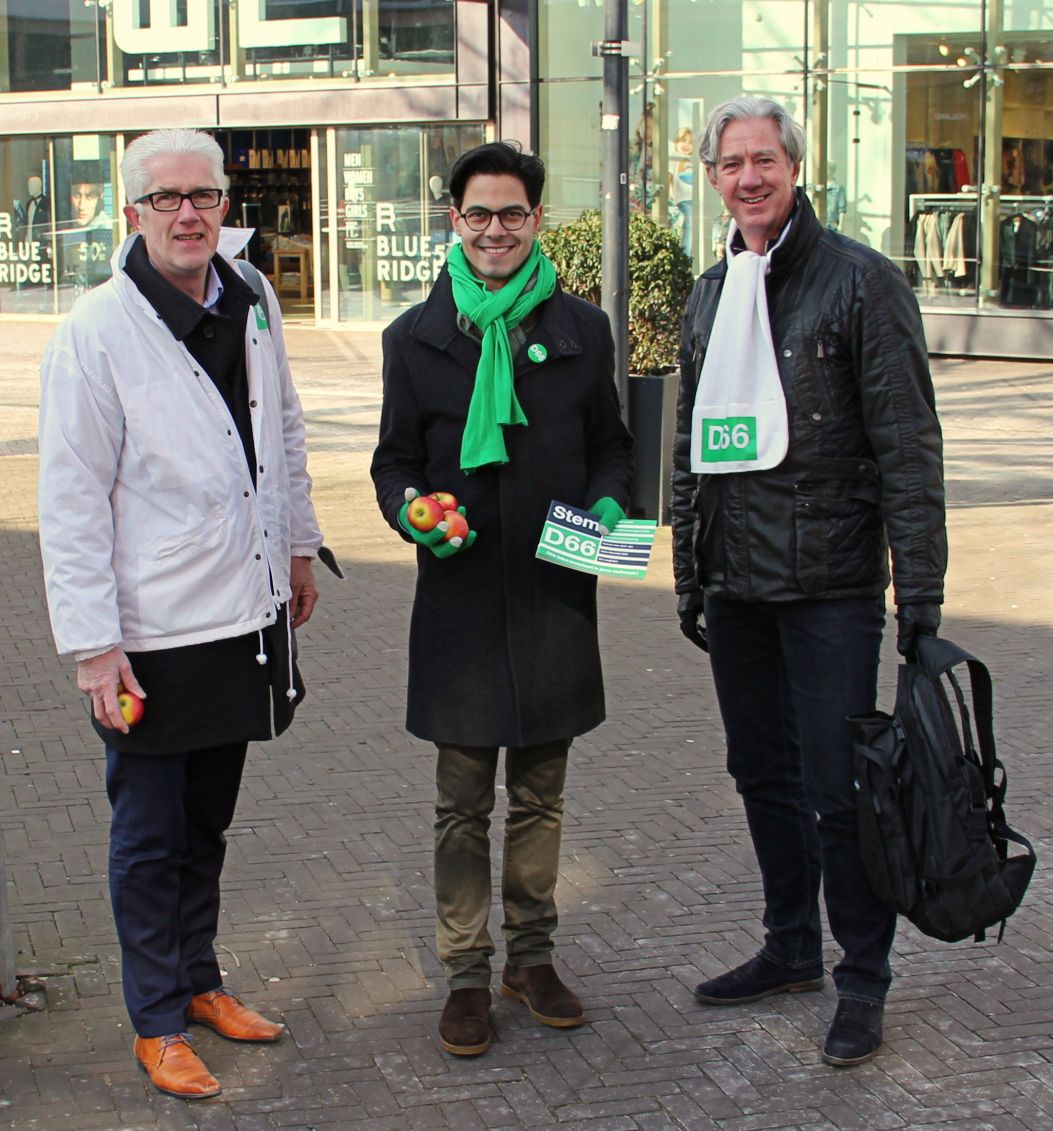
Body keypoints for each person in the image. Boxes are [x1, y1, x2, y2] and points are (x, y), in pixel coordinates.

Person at [36, 128, 329, 1101]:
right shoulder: (95, 331)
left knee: (208, 825)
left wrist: (296, 543)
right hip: (151, 633)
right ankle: (155, 1020)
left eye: (203, 194)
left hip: (239, 613)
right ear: (132, 215)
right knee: (149, 838)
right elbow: (71, 499)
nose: (189, 213)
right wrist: (92, 649)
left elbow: (279, 423)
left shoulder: (250, 299)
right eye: (166, 199)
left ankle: (199, 982)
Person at [670, 96, 947, 1068]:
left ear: (795, 164)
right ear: (712, 179)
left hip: (830, 586)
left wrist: (921, 600)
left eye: (764, 159)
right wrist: (689, 573)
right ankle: (791, 947)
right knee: (763, 777)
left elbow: (909, 450)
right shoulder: (710, 293)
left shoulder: (862, 285)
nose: (748, 177)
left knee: (841, 792)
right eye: (730, 163)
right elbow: (690, 445)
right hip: (740, 585)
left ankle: (861, 978)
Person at [370, 141, 633, 1058]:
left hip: (556, 593)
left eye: (511, 214)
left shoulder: (581, 330)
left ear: (535, 221)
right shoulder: (415, 337)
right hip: (460, 602)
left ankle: (533, 956)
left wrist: (610, 500)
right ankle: (468, 975)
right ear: (454, 219)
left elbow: (611, 444)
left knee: (542, 796)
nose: (494, 230)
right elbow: (394, 460)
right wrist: (412, 511)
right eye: (477, 214)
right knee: (460, 800)